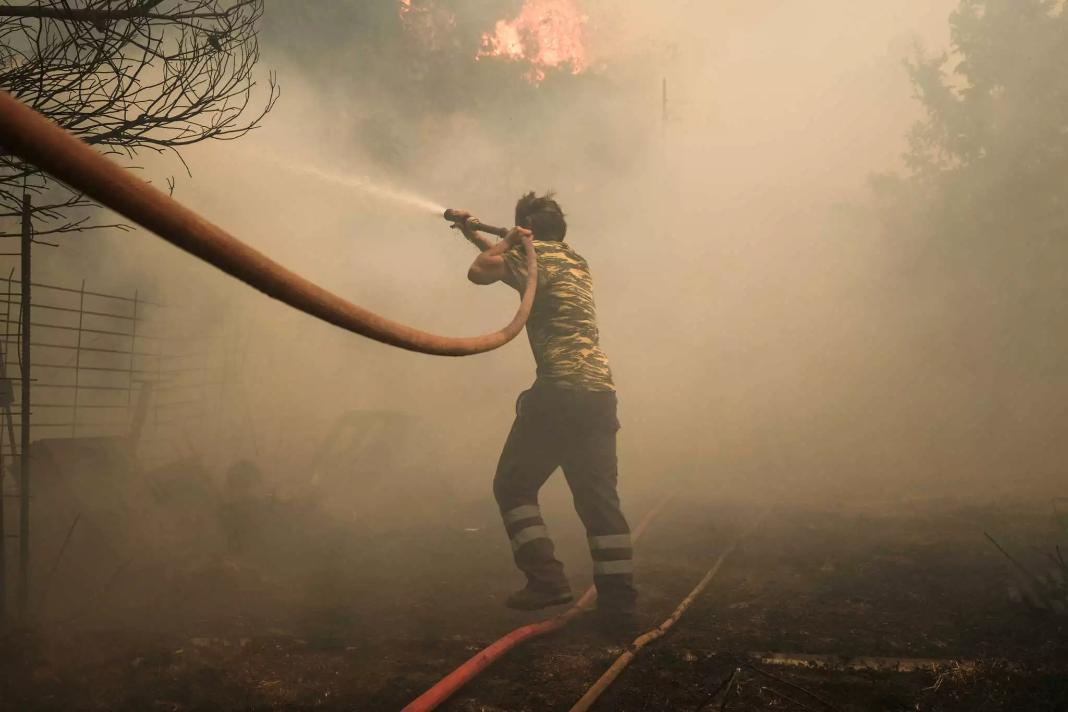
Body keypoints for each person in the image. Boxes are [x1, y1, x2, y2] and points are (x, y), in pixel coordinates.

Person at [452, 192, 636, 622]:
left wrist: (507, 240)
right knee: (599, 503)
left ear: (526, 229)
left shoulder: (532, 258)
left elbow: (480, 273)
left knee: (513, 486)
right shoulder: (575, 261)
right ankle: (620, 607)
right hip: (598, 395)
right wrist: (472, 232)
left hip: (558, 394)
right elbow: (517, 271)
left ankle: (547, 580)